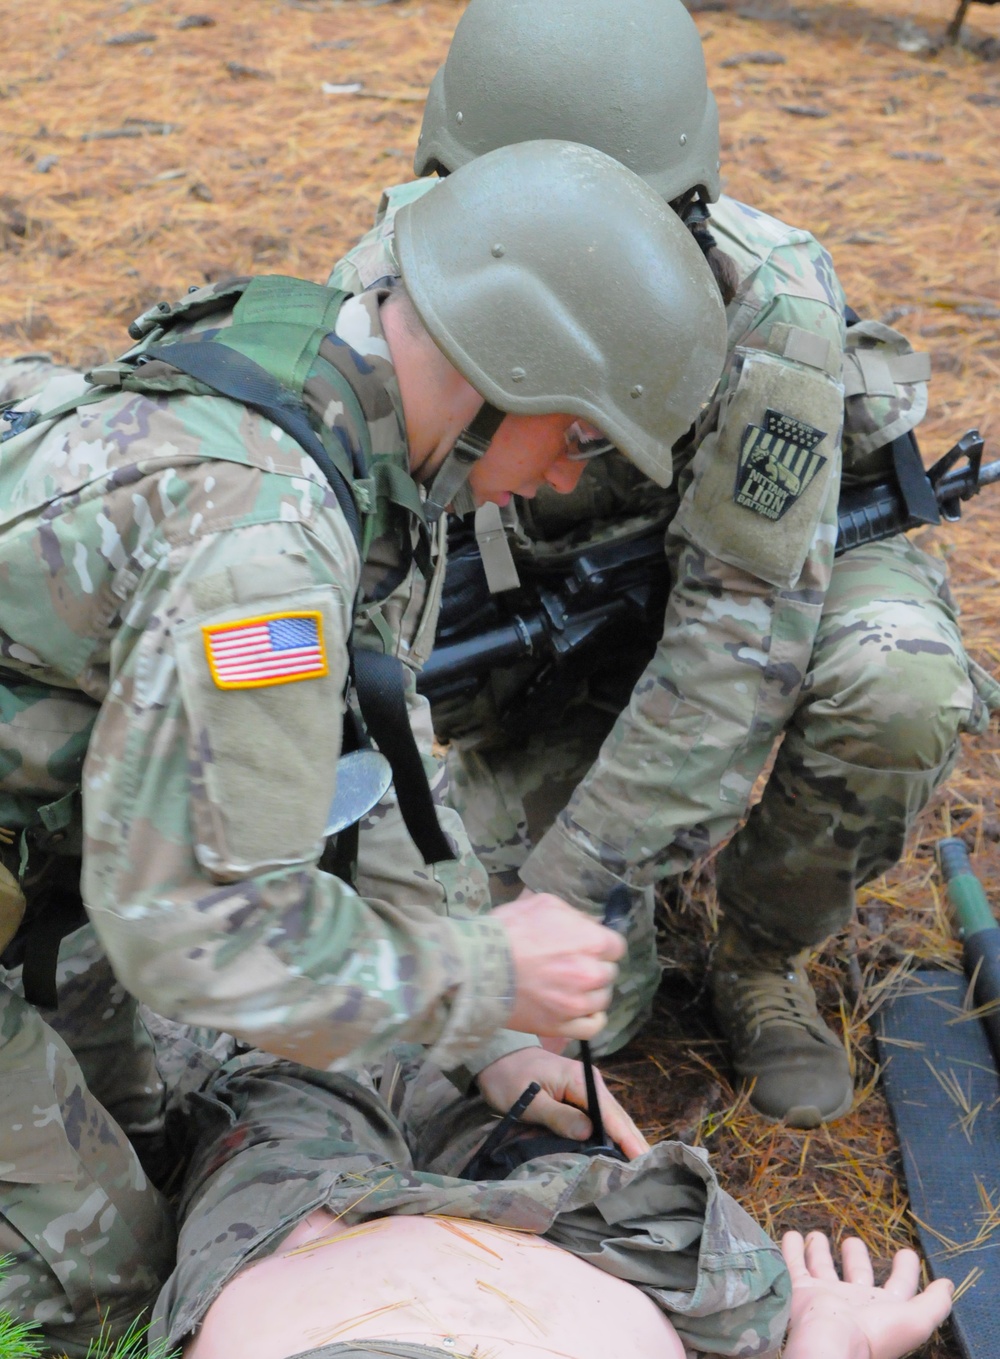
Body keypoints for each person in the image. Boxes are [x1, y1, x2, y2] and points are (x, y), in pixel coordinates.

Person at [0, 138, 729, 1355]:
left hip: (55, 861)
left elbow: (387, 766)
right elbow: (189, 929)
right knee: (114, 1286)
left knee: (168, 1148)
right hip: (101, 888)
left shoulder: (359, 428)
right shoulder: (266, 546)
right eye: (580, 437)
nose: (559, 480)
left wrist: (483, 1037)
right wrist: (482, 976)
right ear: (511, 365)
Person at [330, 0, 1000, 1127]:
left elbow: (740, 621)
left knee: (900, 686)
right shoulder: (397, 294)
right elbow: (368, 638)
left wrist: (568, 889)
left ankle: (759, 951)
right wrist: (487, 947)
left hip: (779, 582)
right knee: (587, 1012)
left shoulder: (769, 308)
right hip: (546, 626)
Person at [141, 1043, 951, 1359]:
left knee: (292, 1079)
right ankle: (449, 1068)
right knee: (528, 1124)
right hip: (605, 1244)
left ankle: (407, 1052)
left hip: (296, 1220)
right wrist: (823, 1336)